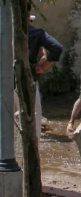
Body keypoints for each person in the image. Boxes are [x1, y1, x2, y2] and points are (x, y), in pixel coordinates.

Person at [24, 10, 63, 140]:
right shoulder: (36, 33)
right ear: (28, 17)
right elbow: (57, 48)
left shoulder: (4, 31)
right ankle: (33, 153)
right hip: (28, 79)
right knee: (33, 115)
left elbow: (43, 51)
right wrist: (43, 66)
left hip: (5, 81)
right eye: (30, 21)